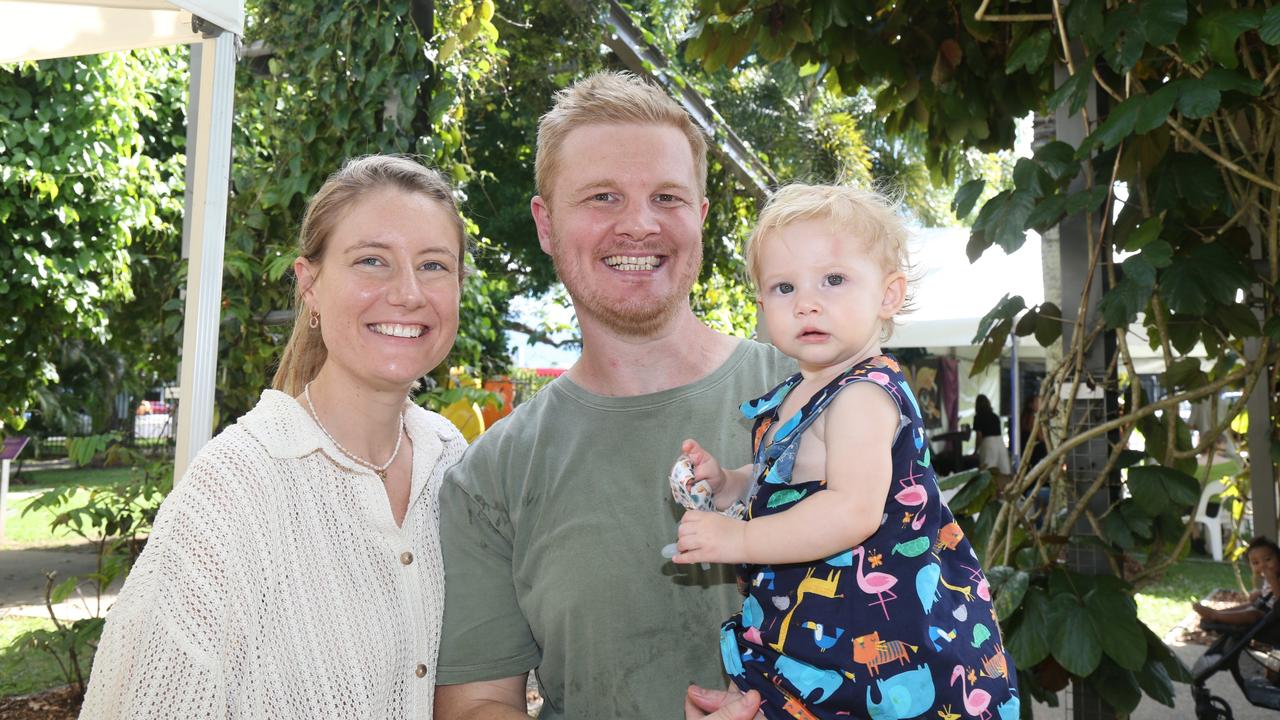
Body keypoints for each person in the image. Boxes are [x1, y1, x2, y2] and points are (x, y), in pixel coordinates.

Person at [433, 72, 794, 719]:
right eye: (603, 197)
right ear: (545, 223)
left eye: (666, 197)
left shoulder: (820, 398)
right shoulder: (492, 480)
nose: (638, 224)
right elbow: (476, 703)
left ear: (701, 218)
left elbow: (919, 616)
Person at [80, 155, 469, 718]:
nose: (408, 293)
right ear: (309, 285)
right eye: (371, 261)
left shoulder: (452, 461)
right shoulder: (232, 491)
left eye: (434, 265)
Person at [675, 183, 1019, 719]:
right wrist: (730, 484)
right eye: (784, 287)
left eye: (833, 280)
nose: (807, 301)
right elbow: (787, 480)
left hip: (878, 643)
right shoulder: (796, 392)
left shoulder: (862, 394)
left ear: (888, 294)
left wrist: (739, 537)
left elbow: (851, 509)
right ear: (763, 305)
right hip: (822, 627)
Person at [1193, 536, 1280, 628]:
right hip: (1265, 607)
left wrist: (1273, 581)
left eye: (1267, 559)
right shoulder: (1269, 577)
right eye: (1256, 563)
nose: (1262, 565)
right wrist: (1259, 593)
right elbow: (1270, 593)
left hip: (1273, 616)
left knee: (1252, 614)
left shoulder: (1275, 578)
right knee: (1248, 605)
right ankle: (1218, 613)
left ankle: (1216, 616)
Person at [974, 393, 1011, 474]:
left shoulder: (978, 417)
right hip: (1000, 442)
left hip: (988, 442)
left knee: (987, 471)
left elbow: (979, 436)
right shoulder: (995, 416)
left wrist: (975, 450)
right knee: (1003, 469)